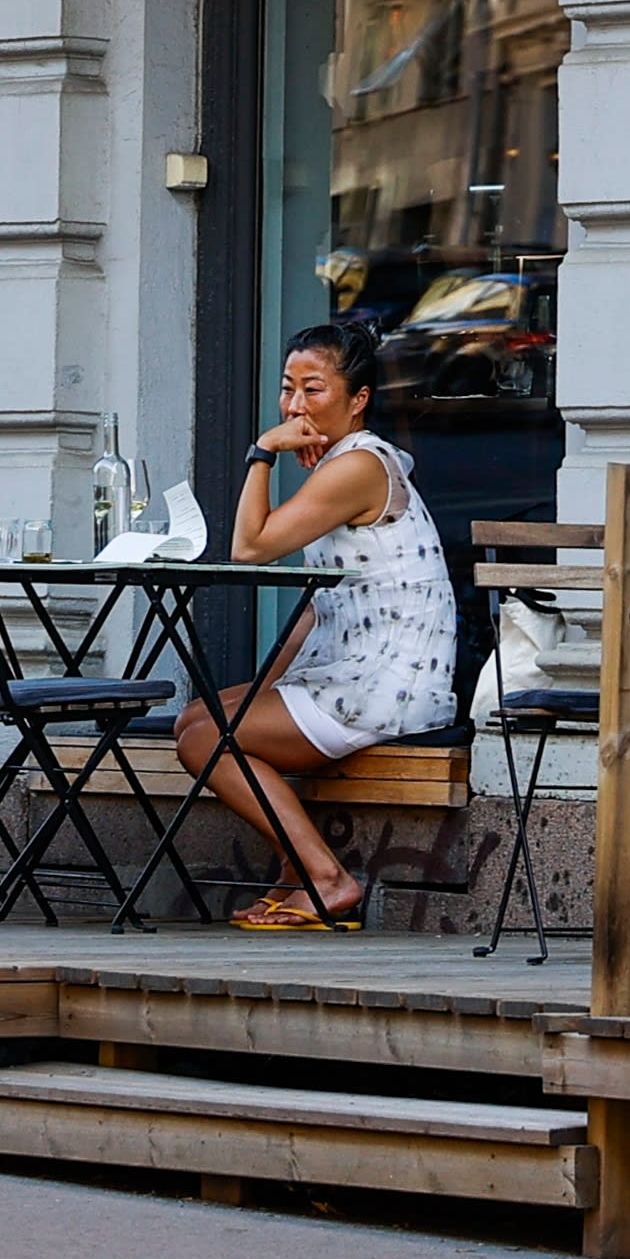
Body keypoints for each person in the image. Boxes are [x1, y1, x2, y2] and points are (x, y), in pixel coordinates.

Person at [169, 320, 456, 932]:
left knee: (204, 738)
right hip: (353, 673)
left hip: (389, 686)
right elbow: (314, 608)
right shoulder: (342, 462)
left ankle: (326, 880)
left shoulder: (359, 467)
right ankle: (297, 872)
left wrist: (262, 453)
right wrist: (262, 692)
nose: (296, 406)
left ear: (358, 401)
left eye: (315, 390)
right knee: (198, 718)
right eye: (287, 388)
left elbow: (250, 547)